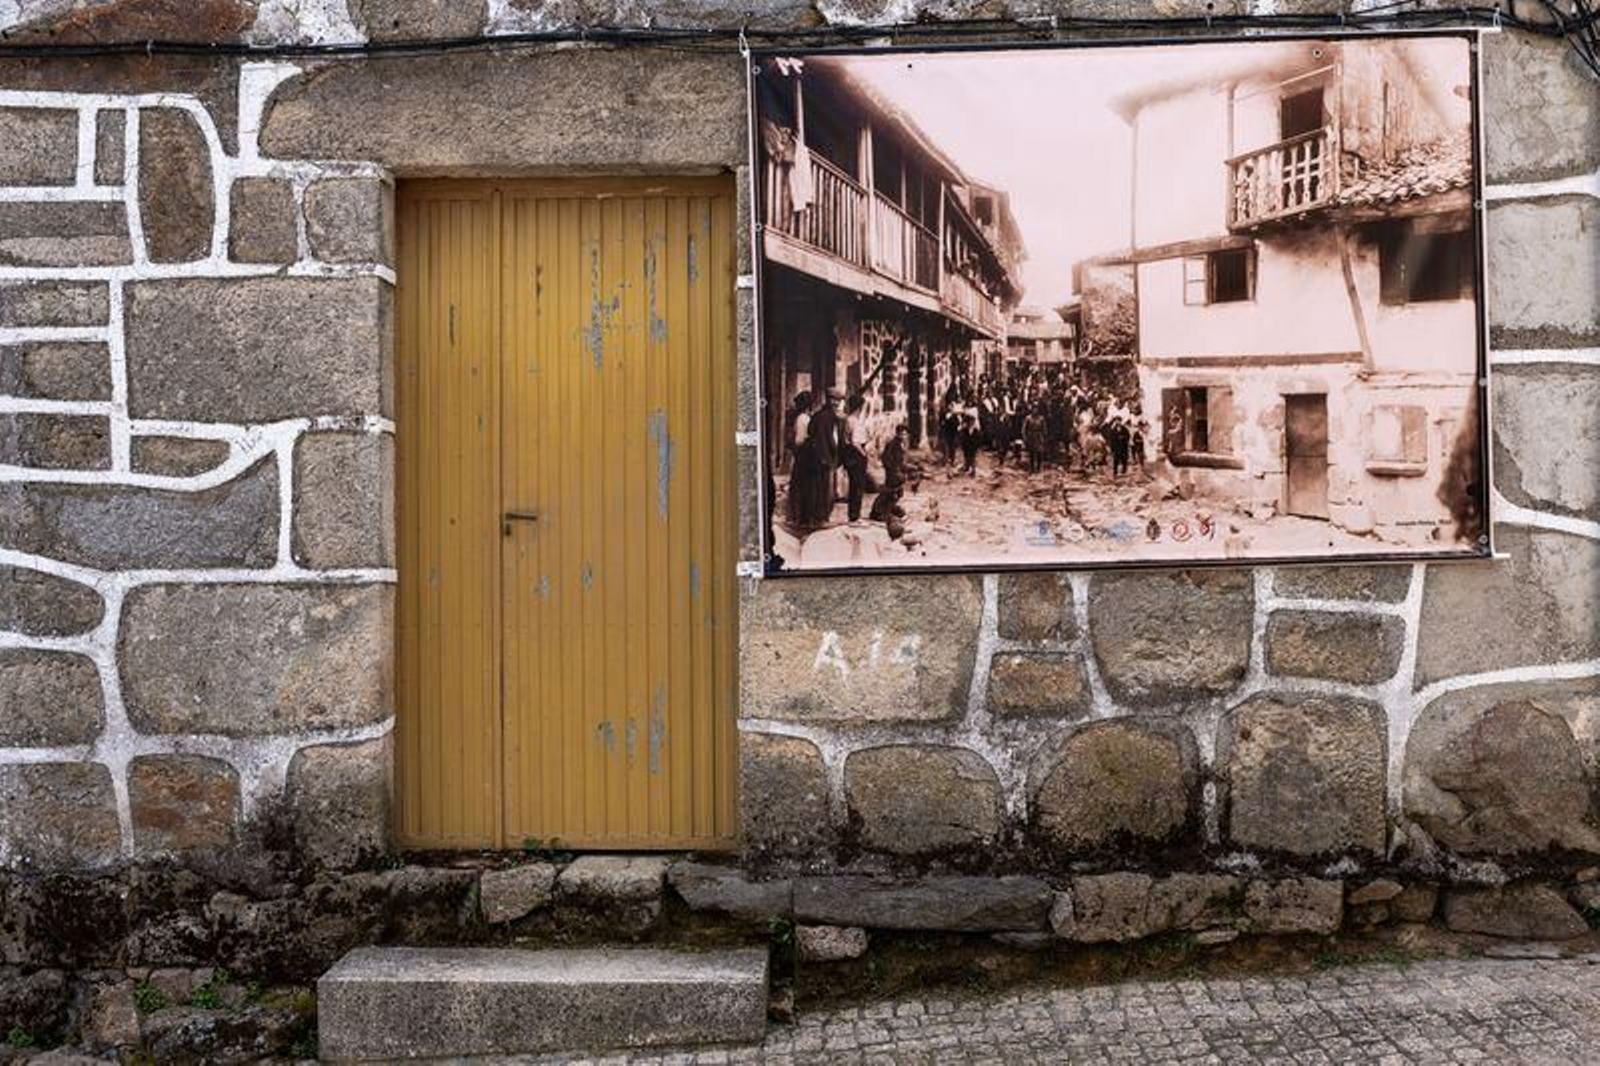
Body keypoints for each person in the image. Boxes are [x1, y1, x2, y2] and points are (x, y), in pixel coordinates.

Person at [802, 388, 845, 526]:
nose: (835, 403)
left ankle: (820, 517)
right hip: (821, 459)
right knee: (820, 490)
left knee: (823, 489)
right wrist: (825, 458)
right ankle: (819, 518)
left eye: (837, 400)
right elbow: (821, 439)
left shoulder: (830, 416)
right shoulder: (823, 417)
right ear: (827, 399)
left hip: (826, 457)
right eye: (833, 399)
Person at [869, 422, 911, 526]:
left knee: (895, 493)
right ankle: (877, 512)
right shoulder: (893, 444)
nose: (903, 436)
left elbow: (902, 460)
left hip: (898, 472)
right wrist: (894, 471)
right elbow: (886, 458)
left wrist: (905, 469)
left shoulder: (902, 444)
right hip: (893, 472)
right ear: (897, 433)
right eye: (901, 434)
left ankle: (887, 510)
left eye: (905, 434)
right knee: (889, 492)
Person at [841, 393, 871, 523]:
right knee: (857, 486)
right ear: (859, 407)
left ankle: (853, 514)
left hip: (850, 453)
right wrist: (863, 454)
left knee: (855, 485)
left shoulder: (848, 419)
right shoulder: (854, 421)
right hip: (856, 454)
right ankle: (855, 515)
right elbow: (855, 441)